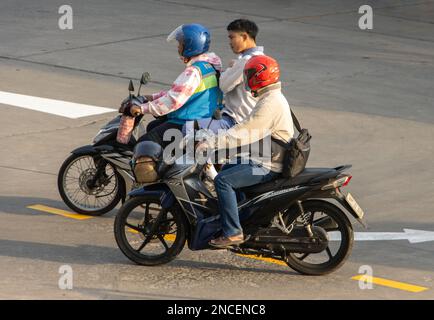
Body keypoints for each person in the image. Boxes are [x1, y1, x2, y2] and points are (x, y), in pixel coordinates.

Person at [197, 55, 295, 247]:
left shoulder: (269, 103)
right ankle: (242, 215)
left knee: (222, 181)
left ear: (260, 76)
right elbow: (248, 130)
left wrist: (212, 143)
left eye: (250, 74)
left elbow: (244, 132)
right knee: (227, 168)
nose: (247, 78)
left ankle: (233, 232)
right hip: (266, 156)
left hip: (268, 164)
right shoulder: (269, 97)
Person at [122, 23, 223, 148]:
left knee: (144, 144)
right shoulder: (209, 66)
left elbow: (174, 100)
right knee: (152, 126)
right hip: (202, 119)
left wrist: (142, 108)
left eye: (180, 43)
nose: (178, 46)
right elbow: (183, 92)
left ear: (190, 46)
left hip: (187, 122)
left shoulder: (193, 71)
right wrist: (151, 97)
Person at [193, 19, 265, 180]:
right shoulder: (260, 58)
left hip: (236, 120)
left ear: (245, 36)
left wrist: (232, 67)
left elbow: (224, 85)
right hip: (248, 118)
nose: (230, 42)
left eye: (232, 37)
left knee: (189, 129)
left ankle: (211, 177)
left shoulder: (246, 62)